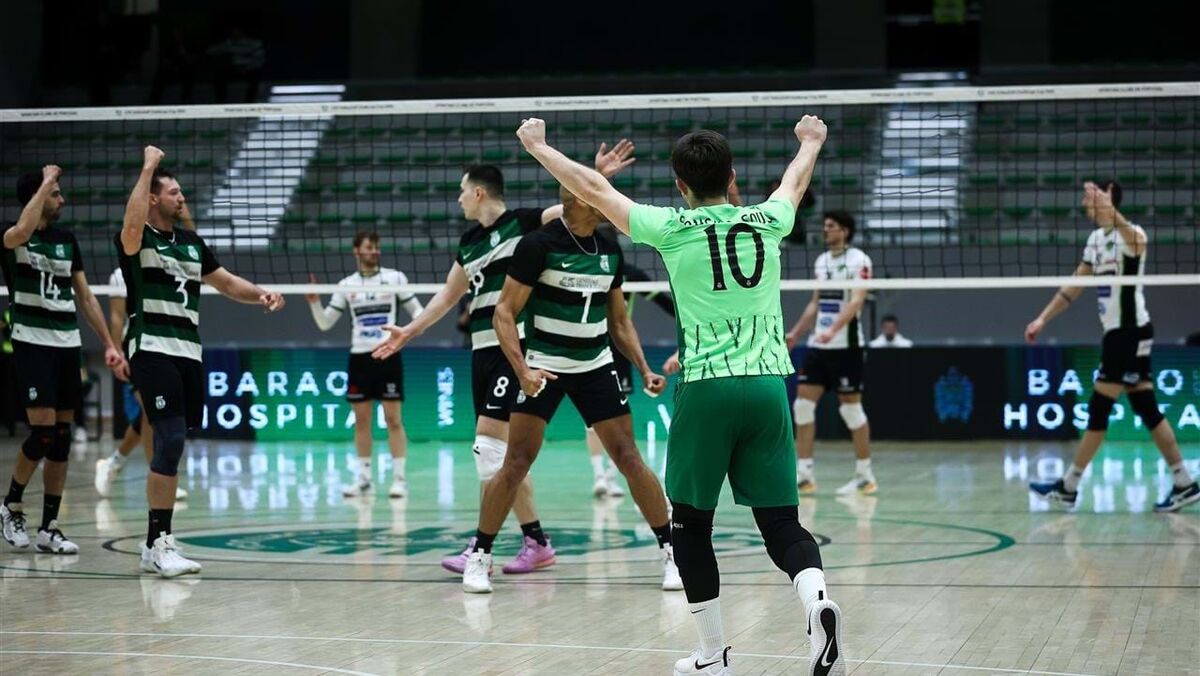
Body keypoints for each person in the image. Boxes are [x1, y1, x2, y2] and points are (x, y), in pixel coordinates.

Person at [515, 116, 845, 675]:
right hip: (768, 385)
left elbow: (593, 189)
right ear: (732, 177)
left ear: (680, 185)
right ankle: (816, 602)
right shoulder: (769, 220)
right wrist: (811, 142)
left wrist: (539, 147)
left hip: (707, 387)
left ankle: (712, 656)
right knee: (781, 523)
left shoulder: (670, 227)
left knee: (691, 525)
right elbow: (794, 181)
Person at [371, 144, 634, 576]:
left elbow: (577, 205)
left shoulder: (525, 222)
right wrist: (409, 331)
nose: (458, 199)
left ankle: (492, 545)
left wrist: (597, 175)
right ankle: (532, 542)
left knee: (491, 449)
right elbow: (447, 297)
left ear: (478, 192)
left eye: (462, 191)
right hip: (480, 352)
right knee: (497, 456)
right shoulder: (470, 242)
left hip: (515, 347)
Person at [460, 185, 679, 594]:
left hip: (595, 365)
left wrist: (644, 368)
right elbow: (503, 312)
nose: (606, 202)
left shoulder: (609, 250)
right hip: (546, 365)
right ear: (578, 200)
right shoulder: (537, 245)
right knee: (515, 461)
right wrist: (522, 370)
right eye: (597, 195)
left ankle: (672, 552)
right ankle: (480, 556)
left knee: (629, 457)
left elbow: (619, 321)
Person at [120, 146, 284, 577]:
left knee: (177, 441)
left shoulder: (192, 244)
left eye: (181, 192)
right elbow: (132, 224)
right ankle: (161, 543)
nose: (182, 197)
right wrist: (149, 167)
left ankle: (152, 543)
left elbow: (226, 283)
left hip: (188, 350)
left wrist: (261, 294)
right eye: (173, 192)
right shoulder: (137, 239)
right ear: (153, 198)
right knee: (170, 439)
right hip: (152, 348)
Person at [1026, 181, 1198, 513]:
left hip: (1129, 333)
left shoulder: (1133, 234)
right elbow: (1075, 286)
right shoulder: (1095, 240)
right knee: (1146, 408)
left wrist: (1109, 207)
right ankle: (1184, 482)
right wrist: (1042, 318)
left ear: (1108, 197)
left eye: (1092, 196)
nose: (1084, 200)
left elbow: (1137, 242)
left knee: (1099, 408)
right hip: (1120, 334)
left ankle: (1069, 486)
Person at [1, 166, 125, 555]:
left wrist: (109, 344)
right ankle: (11, 505)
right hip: (31, 341)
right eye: (56, 194)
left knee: (61, 438)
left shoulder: (66, 240)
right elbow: (22, 231)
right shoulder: (12, 235)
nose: (63, 200)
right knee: (41, 432)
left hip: (66, 343)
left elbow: (85, 297)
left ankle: (49, 527)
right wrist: (45, 182)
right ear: (37, 196)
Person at [307, 230, 424, 499]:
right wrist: (314, 304)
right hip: (359, 358)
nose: (374, 251)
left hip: (388, 355)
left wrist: (406, 333)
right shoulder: (346, 285)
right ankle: (364, 480)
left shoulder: (395, 278)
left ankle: (399, 479)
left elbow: (418, 311)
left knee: (393, 419)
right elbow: (325, 323)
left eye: (377, 247)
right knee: (361, 421)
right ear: (357, 251)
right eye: (369, 247)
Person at [95, 205, 198, 501]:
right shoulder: (121, 274)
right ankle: (159, 472)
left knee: (151, 414)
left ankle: (113, 463)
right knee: (153, 416)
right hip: (140, 348)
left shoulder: (171, 259)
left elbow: (194, 245)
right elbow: (117, 318)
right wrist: (116, 351)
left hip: (172, 345)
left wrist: (184, 212)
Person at [785, 211, 877, 496]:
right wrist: (796, 333)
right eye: (825, 226)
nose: (825, 230)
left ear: (845, 230)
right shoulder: (821, 261)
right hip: (818, 347)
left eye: (831, 226)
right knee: (802, 406)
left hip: (846, 347)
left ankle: (865, 476)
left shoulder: (860, 260)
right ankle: (804, 475)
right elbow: (816, 302)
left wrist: (833, 329)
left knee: (851, 410)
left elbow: (857, 302)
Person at [585, 254, 675, 498]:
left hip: (619, 350)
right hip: (589, 347)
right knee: (591, 419)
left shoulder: (631, 273)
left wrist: (689, 319)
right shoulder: (586, 267)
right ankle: (599, 476)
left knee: (618, 416)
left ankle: (611, 476)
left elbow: (664, 302)